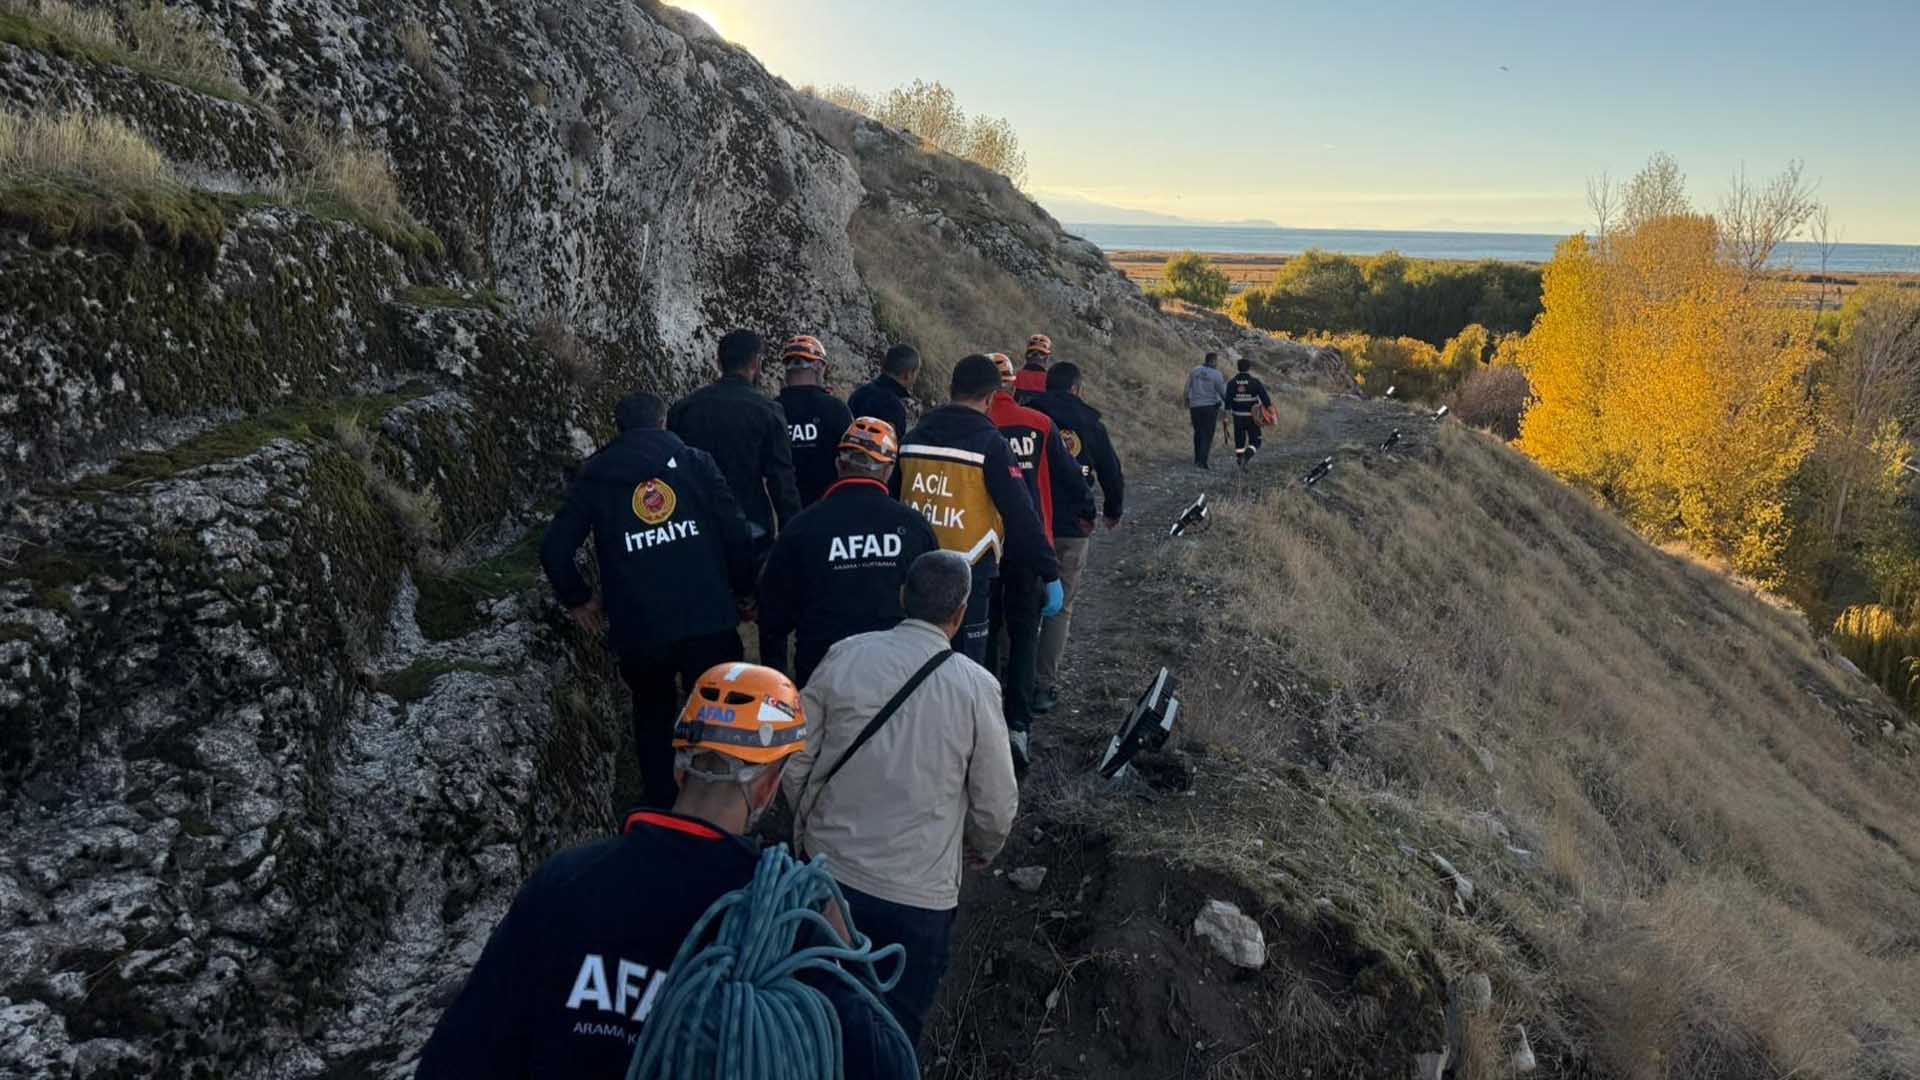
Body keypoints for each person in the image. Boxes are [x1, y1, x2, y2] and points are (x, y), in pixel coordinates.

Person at [417, 664, 917, 1080]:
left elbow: (456, 1058)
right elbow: (888, 1067)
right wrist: (838, 941)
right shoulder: (792, 917)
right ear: (768, 787)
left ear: (680, 766)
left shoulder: (566, 882)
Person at [785, 551, 1019, 1050]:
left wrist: (806, 830)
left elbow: (794, 760)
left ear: (902, 598)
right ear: (959, 615)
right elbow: (995, 805)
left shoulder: (845, 654)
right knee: (890, 1035)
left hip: (826, 878)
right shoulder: (977, 688)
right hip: (917, 900)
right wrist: (982, 847)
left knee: (808, 1017)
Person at [539, 391, 755, 808]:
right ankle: (716, 803)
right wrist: (744, 591)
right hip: (706, 615)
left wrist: (579, 599)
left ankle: (659, 805)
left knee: (652, 713)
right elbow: (735, 532)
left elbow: (554, 549)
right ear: (662, 424)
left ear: (619, 429)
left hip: (640, 626)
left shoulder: (596, 476)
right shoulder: (695, 463)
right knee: (717, 712)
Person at [895, 355, 1061, 666]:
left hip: (914, 573)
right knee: (965, 667)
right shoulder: (990, 444)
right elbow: (1021, 514)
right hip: (968, 579)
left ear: (951, 388)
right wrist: (1049, 571)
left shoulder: (911, 439)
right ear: (991, 397)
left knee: (912, 662)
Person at [758, 417, 939, 686]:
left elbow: (773, 616)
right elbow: (934, 606)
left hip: (823, 673)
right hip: (899, 675)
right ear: (888, 470)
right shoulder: (914, 526)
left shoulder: (802, 528)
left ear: (839, 464)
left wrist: (780, 689)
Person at [984, 352, 1088, 766]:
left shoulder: (975, 427)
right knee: (1026, 633)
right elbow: (1070, 475)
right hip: (1031, 544)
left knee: (987, 632)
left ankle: (984, 713)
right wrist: (1084, 513)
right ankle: (1018, 725)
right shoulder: (1039, 425)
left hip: (983, 546)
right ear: (1012, 386)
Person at [1024, 361, 1125, 716]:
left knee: (1018, 600)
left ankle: (1008, 674)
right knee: (1060, 607)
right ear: (1076, 389)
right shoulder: (1090, 423)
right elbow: (1111, 471)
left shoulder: (1029, 417)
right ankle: (1042, 686)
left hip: (1027, 523)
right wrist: (1112, 509)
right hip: (1071, 527)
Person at [667, 329, 802, 556]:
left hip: (697, 524)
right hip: (751, 524)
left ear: (718, 362)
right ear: (757, 362)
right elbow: (781, 480)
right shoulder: (768, 410)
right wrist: (795, 535)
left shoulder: (684, 408)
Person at [775, 334, 855, 508]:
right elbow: (850, 460)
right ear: (818, 367)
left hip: (783, 511)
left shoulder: (772, 410)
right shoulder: (836, 409)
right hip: (828, 509)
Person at [847, 343, 919, 440]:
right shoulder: (894, 407)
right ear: (908, 374)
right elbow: (891, 446)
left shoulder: (859, 393)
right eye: (916, 373)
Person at [1222, 356, 1274, 467]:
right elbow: (1265, 399)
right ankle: (1246, 457)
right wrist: (1272, 414)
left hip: (1238, 417)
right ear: (1249, 368)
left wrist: (1226, 417)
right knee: (1256, 442)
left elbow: (1227, 401)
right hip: (1253, 418)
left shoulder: (1232, 383)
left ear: (1238, 368)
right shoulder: (1255, 382)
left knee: (1239, 442)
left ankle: (1240, 459)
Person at [1183, 351, 1229, 470]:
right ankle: (1203, 461)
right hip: (1209, 407)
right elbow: (1222, 392)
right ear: (1213, 361)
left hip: (1195, 407)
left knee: (1198, 432)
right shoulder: (1216, 374)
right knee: (1207, 434)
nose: (1217, 363)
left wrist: (1186, 401)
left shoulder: (1195, 370)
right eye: (1216, 361)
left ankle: (1197, 458)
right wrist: (1228, 404)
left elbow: (1187, 387)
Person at [1012, 333, 1051, 402]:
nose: (1036, 356)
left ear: (1026, 355)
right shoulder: (1051, 381)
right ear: (1047, 358)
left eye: (1040, 354)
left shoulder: (1015, 376)